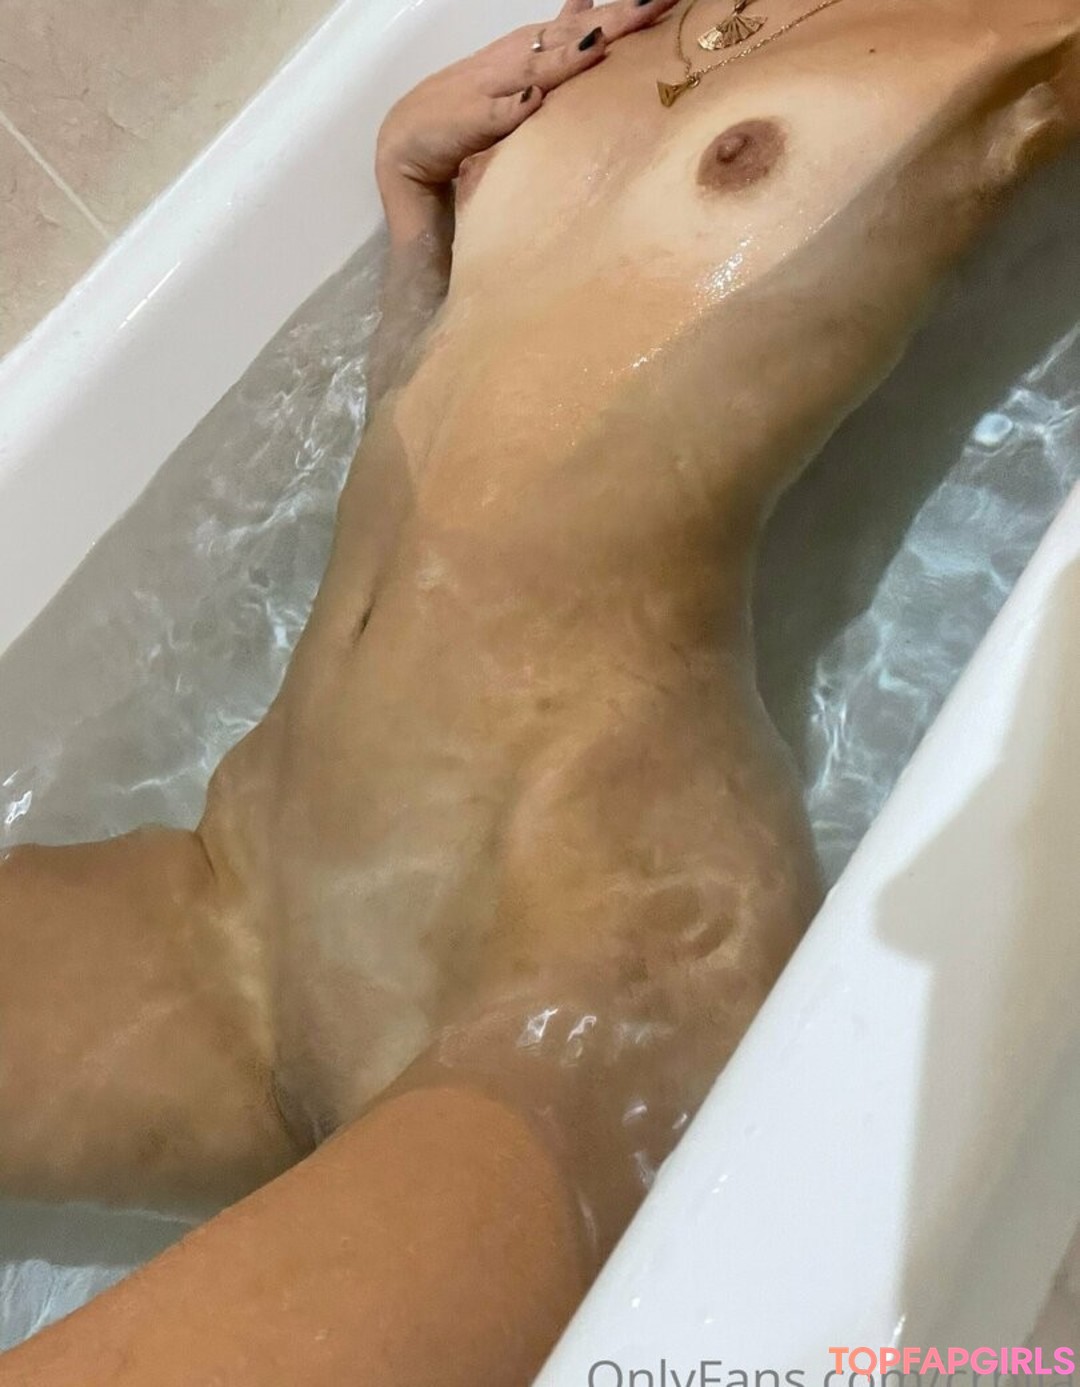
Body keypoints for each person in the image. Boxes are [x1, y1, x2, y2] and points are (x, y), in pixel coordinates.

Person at [2, 0, 1079, 1381]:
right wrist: (414, 216)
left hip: (578, 932)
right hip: (242, 893)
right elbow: (475, 413)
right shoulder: (628, 20)